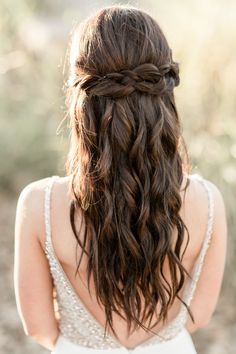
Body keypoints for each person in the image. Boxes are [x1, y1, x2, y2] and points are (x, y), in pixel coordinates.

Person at [14, 4, 227, 354]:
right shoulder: (208, 201)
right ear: (164, 91)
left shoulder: (39, 205)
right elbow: (199, 316)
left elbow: (37, 325)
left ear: (81, 98)